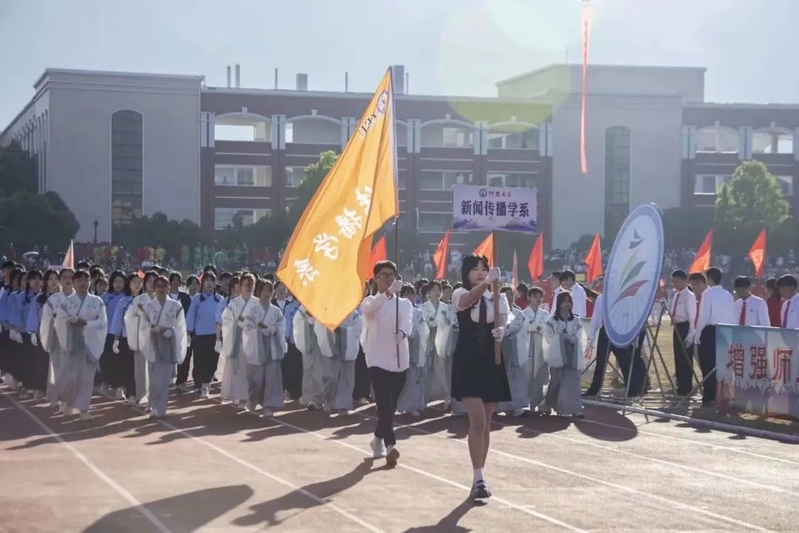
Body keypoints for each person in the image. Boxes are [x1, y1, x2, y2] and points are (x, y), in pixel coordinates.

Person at [449, 255, 510, 501]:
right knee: (477, 420)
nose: (480, 272)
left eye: (484, 269)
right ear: (466, 273)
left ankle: (479, 476)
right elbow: (467, 301)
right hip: (468, 362)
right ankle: (478, 476)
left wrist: (502, 329)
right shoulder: (460, 293)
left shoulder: (498, 297)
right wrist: (486, 284)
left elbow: (505, 317)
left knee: (486, 423)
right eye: (475, 269)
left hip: (491, 361)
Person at [360, 260, 413, 468]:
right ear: (375, 278)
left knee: (391, 406)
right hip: (377, 359)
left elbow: (408, 321)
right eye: (384, 275)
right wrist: (388, 293)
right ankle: (391, 445)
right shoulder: (370, 301)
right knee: (384, 402)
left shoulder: (404, 303)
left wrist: (403, 332)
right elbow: (370, 310)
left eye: (392, 275)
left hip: (399, 359)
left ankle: (377, 438)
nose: (389, 279)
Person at [55, 270, 108, 420]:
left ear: (90, 282)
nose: (83, 283)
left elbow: (102, 322)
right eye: (79, 280)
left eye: (86, 280)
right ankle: (68, 402)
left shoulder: (97, 301)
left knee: (87, 378)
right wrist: (69, 322)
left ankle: (84, 409)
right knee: (70, 376)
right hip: (72, 341)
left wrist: (86, 323)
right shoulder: (67, 301)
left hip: (90, 342)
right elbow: (59, 321)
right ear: (74, 283)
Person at [142, 275, 188, 418]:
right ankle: (152, 401)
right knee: (154, 381)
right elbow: (142, 326)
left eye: (164, 286)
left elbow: (181, 327)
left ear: (168, 288)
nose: (161, 289)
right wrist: (150, 330)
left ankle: (160, 408)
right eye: (158, 286)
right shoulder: (148, 307)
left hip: (167, 344)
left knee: (164, 380)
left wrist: (169, 331)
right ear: (154, 288)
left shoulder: (176, 306)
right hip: (152, 344)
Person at [242, 279, 286, 417]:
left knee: (271, 378)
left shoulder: (276, 311)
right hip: (257, 346)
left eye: (270, 290)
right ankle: (253, 399)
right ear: (259, 292)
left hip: (272, 347)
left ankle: (268, 405)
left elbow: (282, 326)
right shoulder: (253, 310)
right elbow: (246, 327)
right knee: (257, 379)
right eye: (264, 290)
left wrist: (274, 329)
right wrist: (258, 330)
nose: (267, 293)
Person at [692, 267, 735, 406]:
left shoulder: (708, 294)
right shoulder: (728, 294)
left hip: (710, 331)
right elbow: (732, 315)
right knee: (722, 365)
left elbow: (704, 316)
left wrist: (698, 334)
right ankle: (723, 395)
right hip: (725, 331)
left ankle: (709, 396)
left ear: (709, 278)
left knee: (708, 364)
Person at [543, 291, 586, 418]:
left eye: (569, 301)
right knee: (556, 381)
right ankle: (548, 403)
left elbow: (581, 336)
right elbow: (547, 337)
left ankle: (575, 408)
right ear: (559, 303)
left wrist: (574, 339)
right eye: (565, 301)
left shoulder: (576, 320)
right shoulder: (552, 320)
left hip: (572, 354)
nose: (567, 303)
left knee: (573, 380)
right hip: (557, 354)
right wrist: (560, 338)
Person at [314, 308, 362, 416]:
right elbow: (318, 327)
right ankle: (326, 400)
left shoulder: (354, 315)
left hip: (347, 348)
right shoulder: (326, 312)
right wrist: (331, 329)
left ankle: (343, 406)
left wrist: (342, 330)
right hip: (331, 347)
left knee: (347, 379)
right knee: (330, 377)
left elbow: (358, 329)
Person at [124, 271, 158, 409]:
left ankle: (154, 397)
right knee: (140, 369)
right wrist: (141, 318)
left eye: (154, 281)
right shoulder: (138, 300)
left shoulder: (162, 299)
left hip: (157, 339)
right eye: (149, 281)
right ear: (145, 283)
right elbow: (129, 318)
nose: (152, 284)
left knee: (155, 369)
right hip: (141, 338)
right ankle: (141, 395)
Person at [220, 273, 255, 407]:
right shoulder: (234, 303)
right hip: (237, 340)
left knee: (252, 371)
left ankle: (250, 396)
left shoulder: (257, 303)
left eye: (251, 285)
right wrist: (236, 323)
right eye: (246, 284)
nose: (249, 287)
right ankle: (241, 397)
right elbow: (226, 320)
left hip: (253, 341)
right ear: (240, 286)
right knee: (239, 370)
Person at [185, 272, 222, 398]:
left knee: (212, 361)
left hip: (215, 336)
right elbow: (191, 315)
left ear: (215, 284)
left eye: (212, 281)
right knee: (199, 361)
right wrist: (188, 331)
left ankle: (206, 382)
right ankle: (200, 384)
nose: (209, 284)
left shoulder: (219, 299)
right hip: (200, 335)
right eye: (207, 281)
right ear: (203, 283)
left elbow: (223, 317)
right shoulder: (197, 299)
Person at [496, 286, 530, 417]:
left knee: (514, 377)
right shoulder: (495, 312)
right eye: (505, 295)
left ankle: (515, 405)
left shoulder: (519, 313)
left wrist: (506, 331)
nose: (509, 298)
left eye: (511, 295)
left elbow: (516, 328)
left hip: (514, 348)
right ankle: (498, 405)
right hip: (498, 347)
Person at [396, 284, 429, 417]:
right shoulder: (397, 311)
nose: (409, 297)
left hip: (415, 347)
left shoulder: (418, 312)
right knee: (401, 379)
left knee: (414, 377)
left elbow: (424, 329)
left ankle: (413, 405)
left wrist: (416, 334)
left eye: (412, 294)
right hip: (400, 346)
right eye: (406, 294)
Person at [669, 269, 697, 396]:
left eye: (677, 281)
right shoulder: (676, 295)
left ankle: (686, 387)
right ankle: (680, 386)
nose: (675, 284)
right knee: (678, 357)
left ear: (684, 280)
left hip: (685, 327)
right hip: (677, 327)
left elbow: (692, 316)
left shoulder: (689, 296)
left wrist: (691, 332)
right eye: (673, 281)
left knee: (685, 358)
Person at [523, 286, 550, 413]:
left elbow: (547, 329)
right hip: (527, 347)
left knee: (541, 375)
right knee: (527, 374)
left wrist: (536, 327)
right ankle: (525, 402)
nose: (538, 299)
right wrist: (535, 327)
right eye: (534, 296)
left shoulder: (545, 314)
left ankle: (540, 402)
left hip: (541, 348)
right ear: (529, 298)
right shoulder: (523, 314)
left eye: (540, 296)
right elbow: (524, 328)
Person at [293, 304, 325, 410]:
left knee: (319, 370)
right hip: (307, 340)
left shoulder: (324, 303)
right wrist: (307, 320)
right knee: (308, 369)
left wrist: (316, 320)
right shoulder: (304, 306)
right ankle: (308, 397)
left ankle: (319, 397)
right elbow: (297, 321)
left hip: (320, 341)